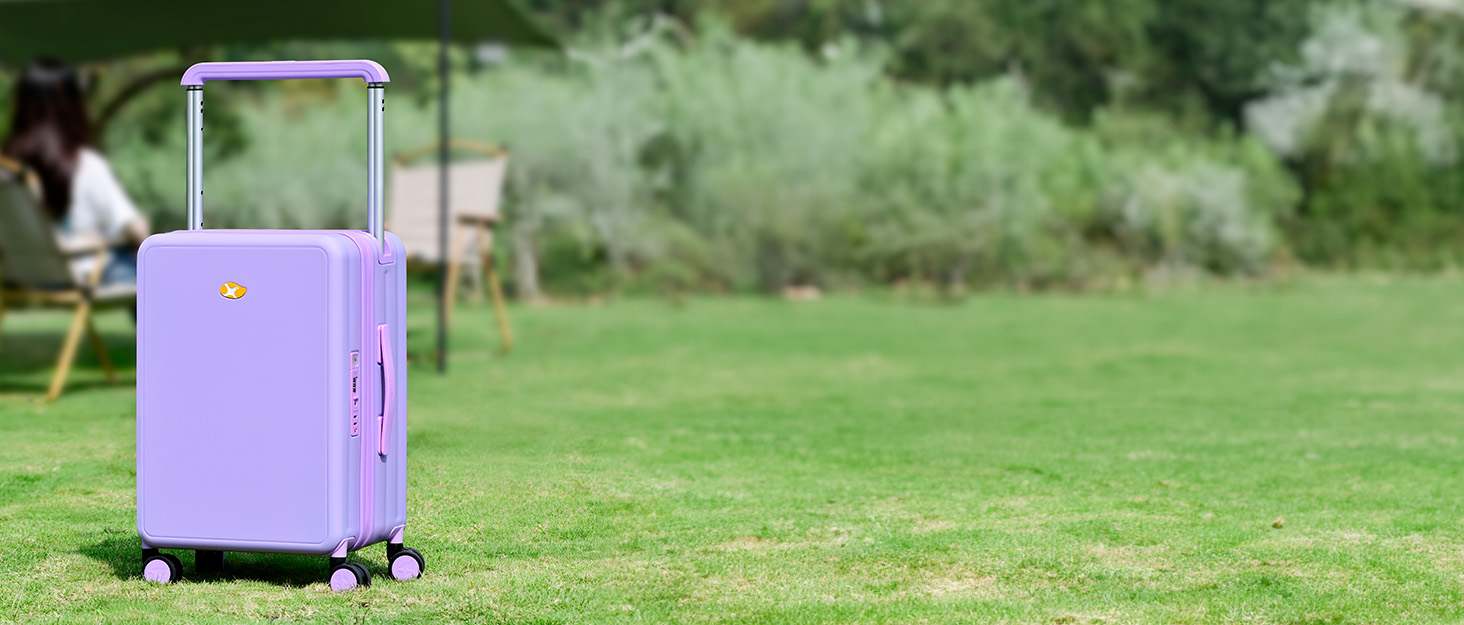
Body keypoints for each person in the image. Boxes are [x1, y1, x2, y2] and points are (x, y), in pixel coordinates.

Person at [2, 59, 150, 287]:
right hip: (88, 274)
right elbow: (136, 229)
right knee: (155, 273)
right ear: (72, 104)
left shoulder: (6, 170)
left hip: (23, 277)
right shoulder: (86, 165)